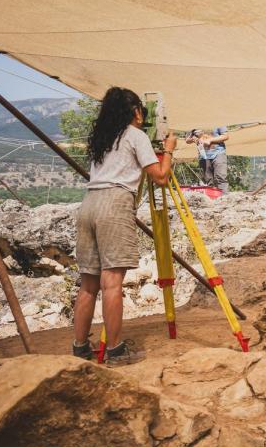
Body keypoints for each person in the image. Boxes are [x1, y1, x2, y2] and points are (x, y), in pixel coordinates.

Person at [72, 87, 175, 365]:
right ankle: (116, 350)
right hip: (114, 203)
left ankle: (80, 347)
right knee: (112, 283)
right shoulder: (135, 136)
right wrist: (168, 151)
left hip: (89, 203)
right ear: (135, 111)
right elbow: (161, 177)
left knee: (88, 284)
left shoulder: (104, 139)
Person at [185, 126, 229, 192]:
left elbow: (226, 136)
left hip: (218, 153)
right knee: (208, 180)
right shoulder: (194, 123)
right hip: (203, 155)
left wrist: (210, 140)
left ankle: (223, 198)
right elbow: (187, 140)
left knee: (220, 178)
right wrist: (194, 138)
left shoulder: (219, 120)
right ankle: (211, 198)